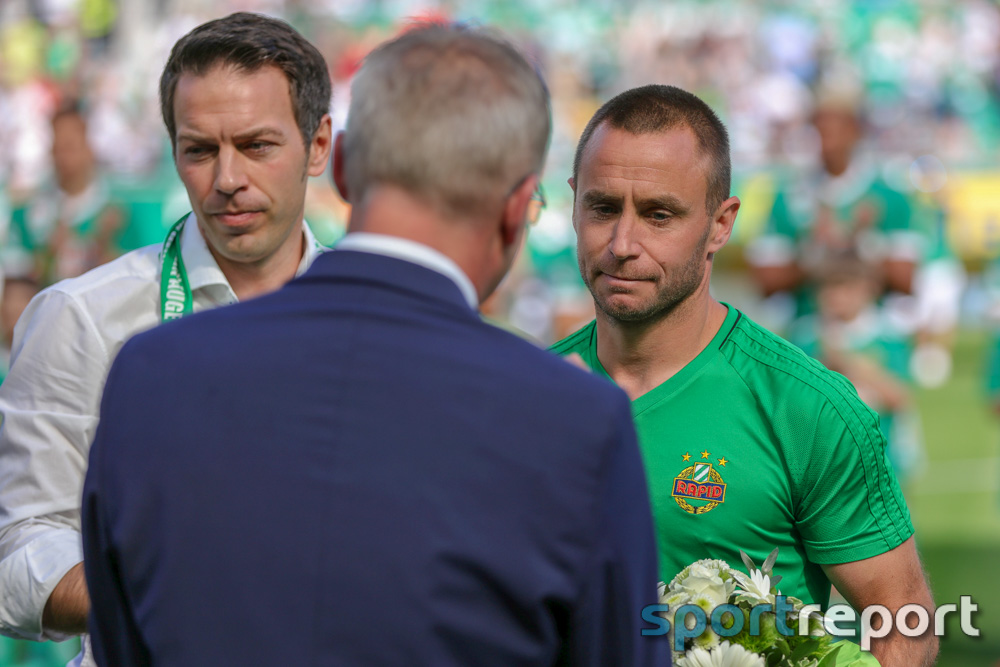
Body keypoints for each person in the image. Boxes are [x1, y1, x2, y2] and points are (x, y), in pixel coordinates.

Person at [81, 24, 665, 667]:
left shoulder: (151, 369)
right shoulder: (577, 420)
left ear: (340, 166)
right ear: (518, 208)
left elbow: (118, 643)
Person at [551, 84, 938, 666]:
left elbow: (905, 624)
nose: (623, 244)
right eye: (603, 208)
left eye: (660, 214)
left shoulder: (806, 407)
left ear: (720, 223)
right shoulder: (525, 398)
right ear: (574, 203)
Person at [0, 11, 333, 660]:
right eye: (200, 149)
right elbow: (16, 551)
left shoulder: (379, 319)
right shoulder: (81, 315)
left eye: (257, 145)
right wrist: (173, 594)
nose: (228, 177)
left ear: (318, 145)